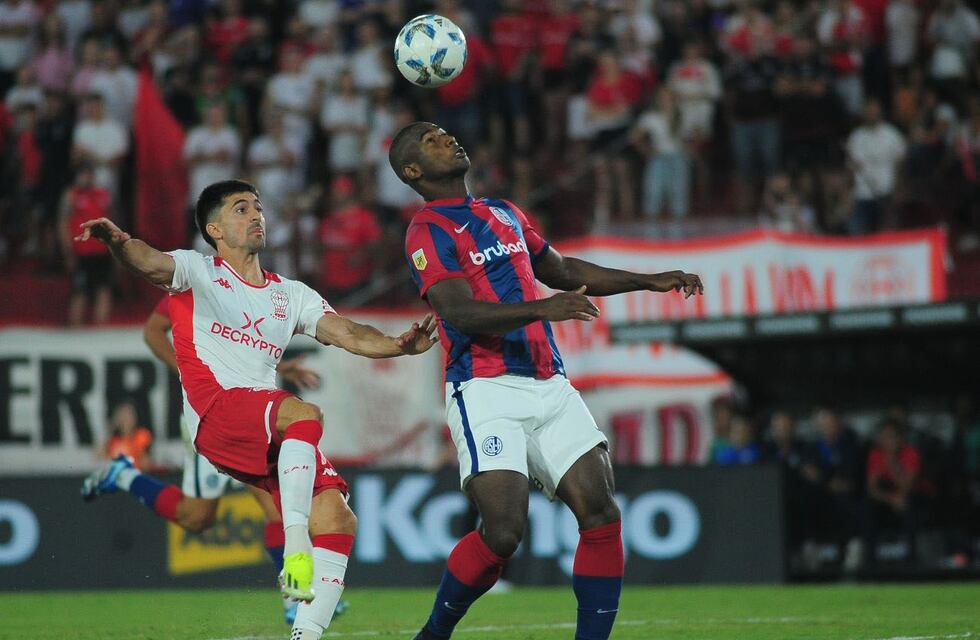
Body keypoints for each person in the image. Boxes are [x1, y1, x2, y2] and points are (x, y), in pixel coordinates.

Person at [73, 179, 438, 640]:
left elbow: (347, 332)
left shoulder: (291, 294)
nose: (256, 215)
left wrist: (398, 346)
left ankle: (304, 633)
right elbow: (149, 262)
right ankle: (295, 549)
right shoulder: (196, 272)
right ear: (215, 229)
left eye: (258, 207)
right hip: (214, 412)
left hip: (260, 420)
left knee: (338, 516)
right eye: (241, 209)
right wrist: (119, 242)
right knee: (303, 418)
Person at [388, 122, 703, 640]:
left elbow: (562, 268)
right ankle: (434, 634)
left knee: (601, 512)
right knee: (504, 532)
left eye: (446, 133)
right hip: (485, 388)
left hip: (549, 382)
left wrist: (648, 280)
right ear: (413, 172)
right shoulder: (427, 231)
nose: (449, 139)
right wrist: (545, 307)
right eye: (431, 140)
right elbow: (459, 312)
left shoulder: (505, 212)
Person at [82, 293, 344, 626]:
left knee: (275, 502)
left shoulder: (258, 288)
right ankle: (124, 475)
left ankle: (295, 598)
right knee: (197, 517)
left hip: (252, 411)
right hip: (210, 415)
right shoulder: (195, 285)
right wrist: (195, 377)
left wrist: (279, 365)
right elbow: (153, 331)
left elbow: (243, 349)